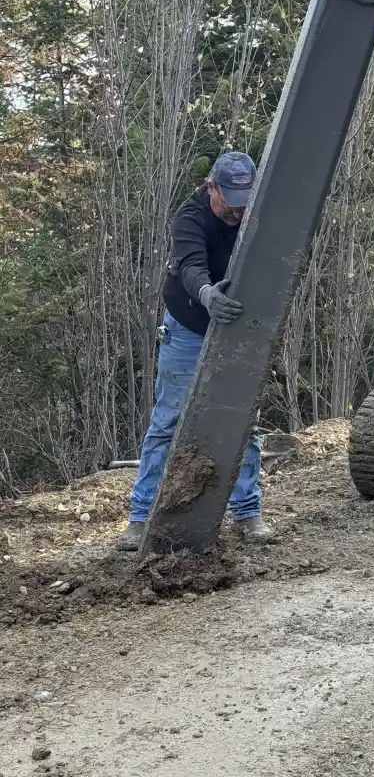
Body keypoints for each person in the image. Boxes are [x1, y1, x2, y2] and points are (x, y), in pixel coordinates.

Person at [116, 152, 272, 551]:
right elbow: (189, 266)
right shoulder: (191, 216)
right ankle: (139, 518)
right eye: (229, 202)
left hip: (236, 326)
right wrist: (207, 294)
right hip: (188, 325)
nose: (236, 212)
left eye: (243, 203)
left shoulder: (255, 211)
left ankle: (248, 514)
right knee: (167, 422)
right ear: (212, 186)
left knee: (244, 423)